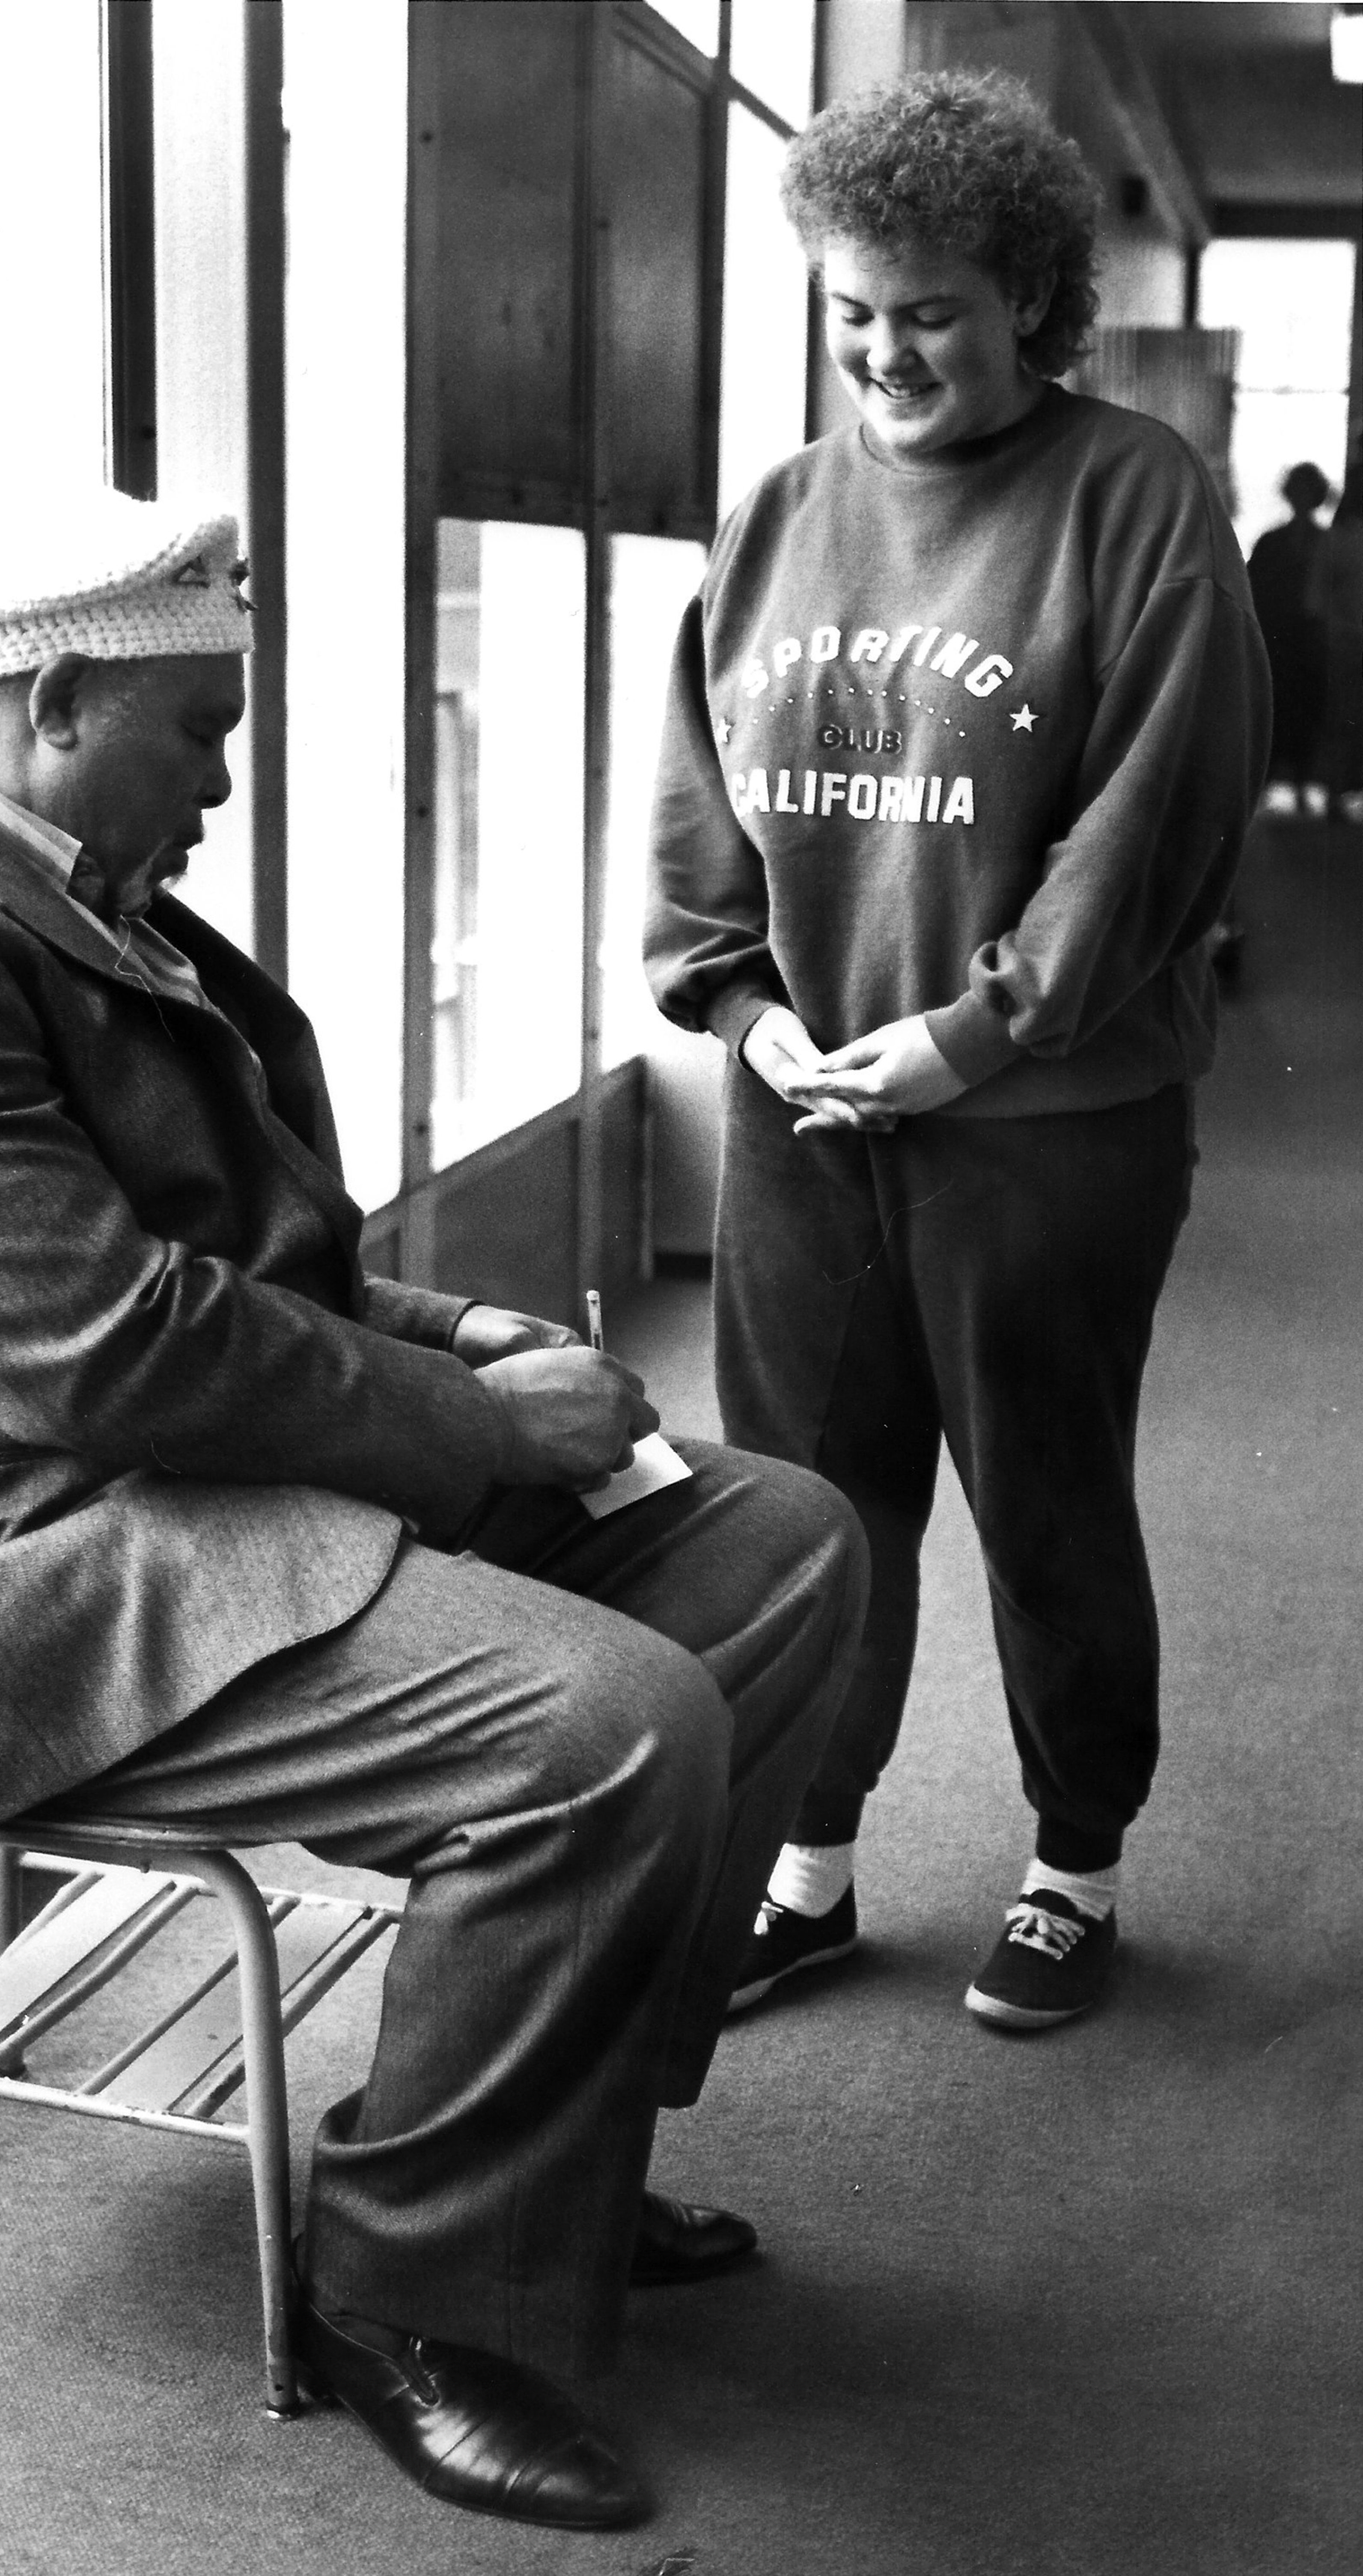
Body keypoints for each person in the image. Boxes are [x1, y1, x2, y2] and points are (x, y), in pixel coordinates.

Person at [0, 491, 868, 2532]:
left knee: (778, 1548)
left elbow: (245, 1258)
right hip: (30, 1579)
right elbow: (109, 1350)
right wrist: (485, 1422)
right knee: (603, 1726)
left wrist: (460, 1325)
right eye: (205, 727)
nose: (230, 778)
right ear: (59, 701)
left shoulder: (52, 878)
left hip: (204, 1496)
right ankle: (414, 2295)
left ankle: (549, 2164)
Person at [645, 71, 1270, 2035]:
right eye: (851, 311)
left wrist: (973, 1030)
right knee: (803, 1507)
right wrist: (746, 1018)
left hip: (1047, 1122)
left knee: (1041, 1492)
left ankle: (1072, 1861)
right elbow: (694, 806)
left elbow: (1154, 821)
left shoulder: (1132, 495)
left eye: (926, 308)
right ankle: (809, 1868)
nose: (885, 348)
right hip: (808, 1122)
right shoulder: (777, 512)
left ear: (1026, 299)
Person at [1247, 461, 1331, 818]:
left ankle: (1297, 782)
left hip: (1305, 640)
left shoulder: (1321, 543)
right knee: (1276, 708)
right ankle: (1270, 784)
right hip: (1281, 638)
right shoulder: (1275, 542)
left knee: (1304, 708)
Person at [1314, 459, 1363, 823]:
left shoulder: (1339, 538)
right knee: (1343, 716)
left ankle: (1337, 791)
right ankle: (1335, 791)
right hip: (1346, 639)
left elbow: (1317, 596)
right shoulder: (1340, 539)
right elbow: (1317, 595)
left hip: (1345, 637)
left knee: (1343, 716)